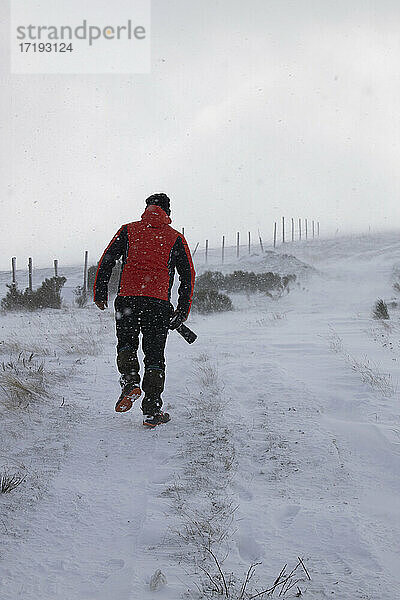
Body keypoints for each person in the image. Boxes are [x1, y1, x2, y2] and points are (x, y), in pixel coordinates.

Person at [93, 193, 195, 427]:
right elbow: (188, 275)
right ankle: (151, 412)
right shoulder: (175, 238)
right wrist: (182, 309)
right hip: (158, 305)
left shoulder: (128, 230)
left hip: (128, 299)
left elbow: (106, 260)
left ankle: (130, 383)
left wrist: (99, 292)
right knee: (155, 357)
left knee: (127, 343)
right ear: (168, 212)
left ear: (147, 208)